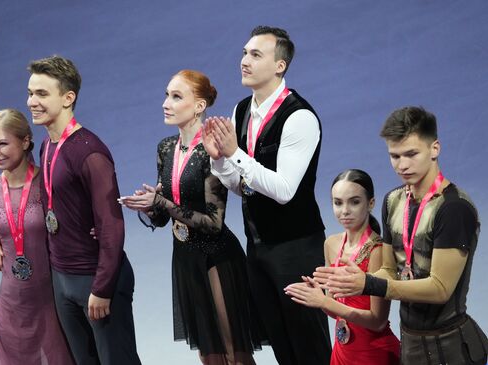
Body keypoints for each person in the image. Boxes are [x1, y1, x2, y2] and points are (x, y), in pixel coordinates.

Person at [315, 107, 488, 364]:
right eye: (394, 156)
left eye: (411, 154)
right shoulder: (394, 200)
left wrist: (370, 284)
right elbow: (388, 267)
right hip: (411, 343)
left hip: (452, 346)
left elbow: (440, 289)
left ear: (435, 149)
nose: (402, 165)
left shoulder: (454, 208)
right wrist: (355, 281)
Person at [202, 25, 331, 364]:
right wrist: (219, 160)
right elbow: (241, 185)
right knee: (280, 341)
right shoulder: (241, 110)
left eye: (255, 55)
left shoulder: (299, 116)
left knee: (309, 345)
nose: (244, 61)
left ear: (280, 66)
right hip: (257, 246)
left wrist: (236, 154)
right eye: (245, 53)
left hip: (297, 248)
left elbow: (285, 190)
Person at [121, 70, 261, 365]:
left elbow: (213, 223)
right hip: (185, 257)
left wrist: (161, 202)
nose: (165, 103)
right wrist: (149, 207)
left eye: (176, 96)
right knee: (208, 352)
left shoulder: (212, 150)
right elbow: (165, 217)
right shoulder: (166, 148)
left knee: (233, 349)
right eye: (166, 95)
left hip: (216, 258)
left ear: (199, 105)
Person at [27, 55, 141, 364]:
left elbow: (112, 226)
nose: (31, 101)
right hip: (63, 279)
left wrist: (102, 287)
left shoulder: (90, 152)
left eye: (41, 94)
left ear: (68, 98)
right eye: (30, 93)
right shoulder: (47, 145)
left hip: (96, 279)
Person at [0, 109, 74, 364]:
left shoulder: (48, 182)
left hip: (52, 302)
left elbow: (72, 227)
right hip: (12, 305)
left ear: (24, 141)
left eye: (2, 143)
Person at [285, 169, 399, 365]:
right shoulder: (331, 244)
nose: (344, 210)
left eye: (354, 202)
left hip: (372, 352)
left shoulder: (378, 250)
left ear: (371, 203)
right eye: (338, 203)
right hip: (342, 351)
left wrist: (324, 302)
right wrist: (319, 297)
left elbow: (378, 321)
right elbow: (335, 310)